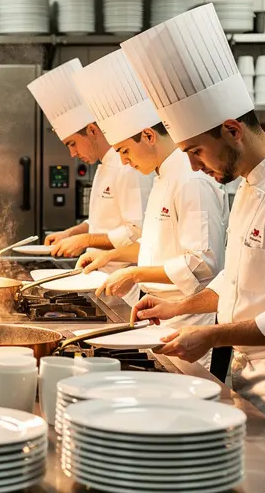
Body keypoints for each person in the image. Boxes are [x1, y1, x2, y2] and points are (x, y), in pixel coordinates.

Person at [120, 3, 265, 462]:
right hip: (258, 376)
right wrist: (180, 306)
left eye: (195, 151)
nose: (191, 165)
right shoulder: (251, 185)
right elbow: (235, 285)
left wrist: (211, 337)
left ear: (231, 130)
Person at [69, 49, 228, 369]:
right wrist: (113, 257)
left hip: (189, 323)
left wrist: (136, 272)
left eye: (126, 151)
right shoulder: (163, 174)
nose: (124, 161)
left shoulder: (190, 178)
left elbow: (202, 262)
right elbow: (156, 248)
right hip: (159, 316)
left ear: (149, 135)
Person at [26, 58, 153, 263]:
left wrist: (85, 240)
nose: (72, 154)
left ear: (92, 131)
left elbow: (136, 232)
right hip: (98, 275)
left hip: (121, 283)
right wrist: (73, 233)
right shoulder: (104, 166)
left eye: (72, 143)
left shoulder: (129, 167)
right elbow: (101, 222)